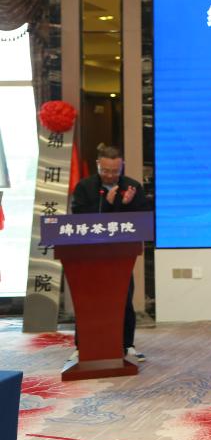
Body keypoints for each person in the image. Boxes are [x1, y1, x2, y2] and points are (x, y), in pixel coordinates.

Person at [69, 143, 149, 362]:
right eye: (106, 170)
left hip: (121, 255)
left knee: (124, 298)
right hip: (89, 256)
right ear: (98, 165)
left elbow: (143, 219)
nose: (111, 175)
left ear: (122, 166)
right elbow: (78, 216)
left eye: (115, 171)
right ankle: (83, 346)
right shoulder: (84, 187)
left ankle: (127, 345)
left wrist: (127, 204)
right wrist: (106, 202)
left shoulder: (132, 187)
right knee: (87, 300)